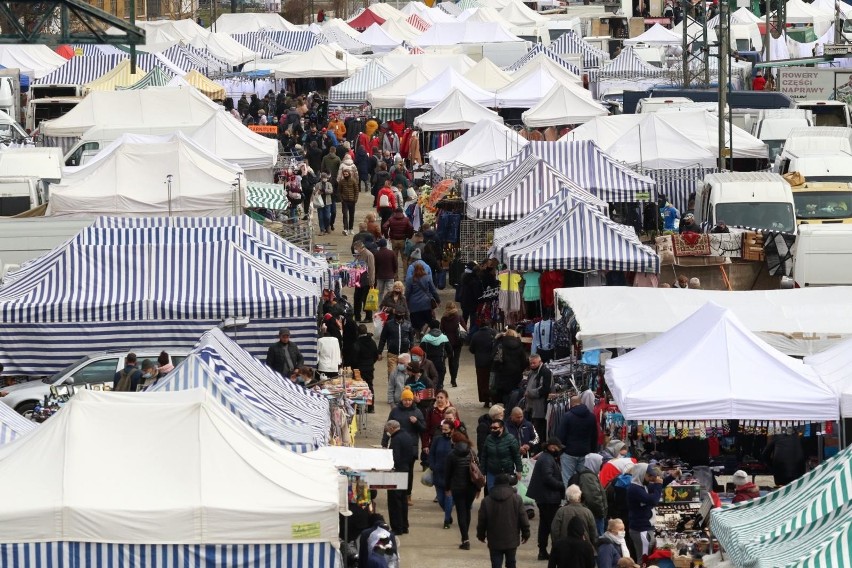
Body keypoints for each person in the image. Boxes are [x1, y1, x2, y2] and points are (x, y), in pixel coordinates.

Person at [476, 473, 531, 568]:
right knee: (511, 562)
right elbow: (523, 517)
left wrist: (481, 534)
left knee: (496, 564)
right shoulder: (516, 499)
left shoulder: (486, 501)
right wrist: (526, 533)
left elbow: (482, 520)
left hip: (494, 539)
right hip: (511, 538)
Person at [382, 388, 425, 506]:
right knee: (395, 469)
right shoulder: (395, 411)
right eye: (405, 400)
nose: (407, 402)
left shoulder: (417, 412)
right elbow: (388, 426)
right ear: (402, 399)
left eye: (410, 400)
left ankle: (407, 495)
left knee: (409, 472)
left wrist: (416, 422)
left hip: (411, 446)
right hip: (396, 445)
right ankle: (396, 494)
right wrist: (384, 443)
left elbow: (423, 429)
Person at [526, 437, 566, 561]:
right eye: (558, 447)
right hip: (548, 498)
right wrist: (562, 485)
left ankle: (543, 551)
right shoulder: (547, 459)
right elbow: (548, 478)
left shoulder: (545, 457)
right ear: (551, 447)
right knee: (552, 526)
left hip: (546, 497)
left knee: (544, 525)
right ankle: (554, 553)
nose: (559, 450)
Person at [445, 430, 478, 550]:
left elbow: (448, 473)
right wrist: (478, 488)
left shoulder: (452, 454)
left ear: (454, 441)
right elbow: (477, 470)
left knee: (461, 512)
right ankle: (466, 535)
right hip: (471, 487)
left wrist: (447, 488)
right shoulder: (472, 452)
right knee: (467, 510)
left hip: (458, 487)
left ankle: (465, 538)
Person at [556, 395, 599, 485]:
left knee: (567, 478)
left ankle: (569, 497)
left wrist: (560, 451)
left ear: (571, 404)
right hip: (585, 452)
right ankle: (581, 497)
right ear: (581, 403)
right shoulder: (591, 417)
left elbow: (561, 435)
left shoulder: (567, 416)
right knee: (583, 478)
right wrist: (593, 451)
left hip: (569, 452)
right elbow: (594, 436)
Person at [626, 464, 664, 562]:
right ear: (642, 474)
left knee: (646, 558)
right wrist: (658, 485)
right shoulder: (635, 489)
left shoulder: (642, 486)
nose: (650, 478)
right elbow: (653, 500)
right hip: (640, 529)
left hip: (644, 527)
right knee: (643, 559)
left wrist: (672, 477)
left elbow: (657, 485)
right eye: (649, 476)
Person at [384, 419, 415, 535]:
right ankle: (404, 525)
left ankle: (397, 527)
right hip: (405, 470)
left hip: (396, 472)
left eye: (388, 430)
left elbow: (395, 457)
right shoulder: (407, 436)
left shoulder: (396, 439)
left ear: (392, 428)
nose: (387, 432)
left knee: (394, 501)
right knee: (402, 500)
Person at [480, 418, 523, 491]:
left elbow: (516, 456)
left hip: (506, 472)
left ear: (502, 428)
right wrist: (482, 473)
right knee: (492, 493)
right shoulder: (488, 438)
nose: (492, 430)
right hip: (491, 472)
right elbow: (484, 456)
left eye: (495, 428)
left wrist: (519, 470)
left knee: (505, 493)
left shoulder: (511, 439)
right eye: (491, 428)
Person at [491, 329, 528, 409]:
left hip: (503, 375)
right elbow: (524, 362)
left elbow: (496, 361)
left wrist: (499, 370)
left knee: (504, 393)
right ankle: (512, 408)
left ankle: (506, 409)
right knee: (514, 393)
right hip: (516, 375)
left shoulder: (500, 345)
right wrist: (519, 370)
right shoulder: (520, 345)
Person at [429, 419, 455, 529]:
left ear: (452, 430)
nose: (444, 431)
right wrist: (432, 466)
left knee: (448, 498)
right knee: (440, 499)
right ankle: (448, 513)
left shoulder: (455, 441)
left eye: (446, 429)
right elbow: (431, 454)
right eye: (442, 429)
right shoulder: (437, 440)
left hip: (451, 475)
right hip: (438, 473)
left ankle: (446, 520)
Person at [572, 453, 607, 535]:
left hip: (594, 514)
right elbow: (593, 498)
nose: (601, 465)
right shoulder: (588, 477)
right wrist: (601, 513)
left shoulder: (590, 475)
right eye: (600, 463)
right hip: (596, 515)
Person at [524, 353, 552, 444]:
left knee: (538, 430)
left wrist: (529, 393)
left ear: (540, 362)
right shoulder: (532, 372)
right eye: (531, 363)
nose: (532, 365)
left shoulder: (545, 372)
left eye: (534, 363)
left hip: (539, 408)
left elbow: (544, 389)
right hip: (531, 407)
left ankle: (538, 449)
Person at [405, 263, 440, 335]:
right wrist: (437, 299)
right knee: (429, 319)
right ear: (423, 269)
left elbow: (407, 292)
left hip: (414, 304)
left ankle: (418, 336)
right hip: (426, 303)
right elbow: (433, 290)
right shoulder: (428, 278)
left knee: (415, 322)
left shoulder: (410, 280)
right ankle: (423, 330)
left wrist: (406, 301)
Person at [470, 322, 497, 407]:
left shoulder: (475, 335)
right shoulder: (493, 333)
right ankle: (493, 399)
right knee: (492, 381)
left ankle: (485, 400)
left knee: (482, 382)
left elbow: (471, 349)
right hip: (492, 362)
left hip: (480, 362)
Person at [420, 320, 452, 390]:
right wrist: (445, 356)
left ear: (430, 328)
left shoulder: (425, 338)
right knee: (439, 382)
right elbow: (450, 351)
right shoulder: (444, 338)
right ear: (439, 327)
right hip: (440, 362)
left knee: (428, 382)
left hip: (427, 364)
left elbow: (420, 351)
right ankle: (439, 394)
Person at [353, 324, 379, 413]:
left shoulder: (357, 343)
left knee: (358, 388)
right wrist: (371, 363)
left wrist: (355, 367)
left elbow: (355, 357)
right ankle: (371, 407)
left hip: (359, 369)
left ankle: (359, 408)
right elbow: (376, 355)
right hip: (369, 368)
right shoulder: (372, 342)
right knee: (370, 386)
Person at [440, 302, 466, 388]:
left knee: (450, 360)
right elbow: (464, 329)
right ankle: (453, 379)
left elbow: (441, 330)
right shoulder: (458, 317)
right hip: (458, 341)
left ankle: (452, 377)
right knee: (456, 360)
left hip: (447, 341)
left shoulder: (444, 318)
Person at [384, 207, 414, 276]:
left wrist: (387, 236)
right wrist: (409, 236)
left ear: (395, 212)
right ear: (402, 212)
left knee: (394, 259)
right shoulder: (406, 220)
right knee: (404, 259)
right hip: (403, 240)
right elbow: (411, 227)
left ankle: (395, 276)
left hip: (394, 240)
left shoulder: (391, 219)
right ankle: (405, 275)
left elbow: (384, 226)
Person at [353, 241, 376, 324]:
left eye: (356, 248)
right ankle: (357, 316)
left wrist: (371, 281)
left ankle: (368, 317)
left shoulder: (368, 255)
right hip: (358, 279)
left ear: (360, 247)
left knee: (366, 299)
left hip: (366, 280)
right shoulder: (359, 254)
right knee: (357, 298)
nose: (355, 250)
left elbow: (371, 269)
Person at [339, 167, 360, 236]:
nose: (345, 175)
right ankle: (345, 229)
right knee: (345, 214)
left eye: (346, 174)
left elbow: (356, 191)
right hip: (344, 201)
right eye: (344, 174)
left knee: (351, 215)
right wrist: (341, 199)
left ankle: (351, 228)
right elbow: (339, 191)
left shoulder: (353, 181)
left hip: (352, 201)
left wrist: (355, 199)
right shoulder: (341, 182)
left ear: (349, 174)